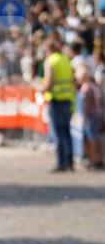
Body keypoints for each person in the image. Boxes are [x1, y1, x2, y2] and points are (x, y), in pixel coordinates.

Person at [43, 38, 76, 172]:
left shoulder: (50, 61)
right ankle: (69, 163)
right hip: (68, 100)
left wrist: (41, 88)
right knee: (67, 132)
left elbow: (49, 82)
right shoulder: (65, 60)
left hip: (56, 100)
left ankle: (61, 162)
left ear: (48, 49)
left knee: (58, 133)